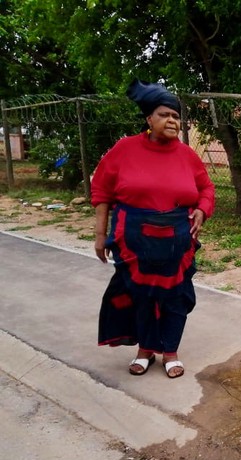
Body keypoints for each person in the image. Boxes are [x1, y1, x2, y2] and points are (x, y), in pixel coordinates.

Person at [91, 79, 215, 379]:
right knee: (141, 296)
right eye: (164, 115)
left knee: (176, 296)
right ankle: (145, 350)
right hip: (133, 239)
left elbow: (206, 188)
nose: (172, 120)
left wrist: (202, 209)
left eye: (175, 116)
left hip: (177, 240)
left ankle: (170, 351)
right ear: (149, 119)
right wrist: (100, 235)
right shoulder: (124, 149)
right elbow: (102, 191)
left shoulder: (187, 154)